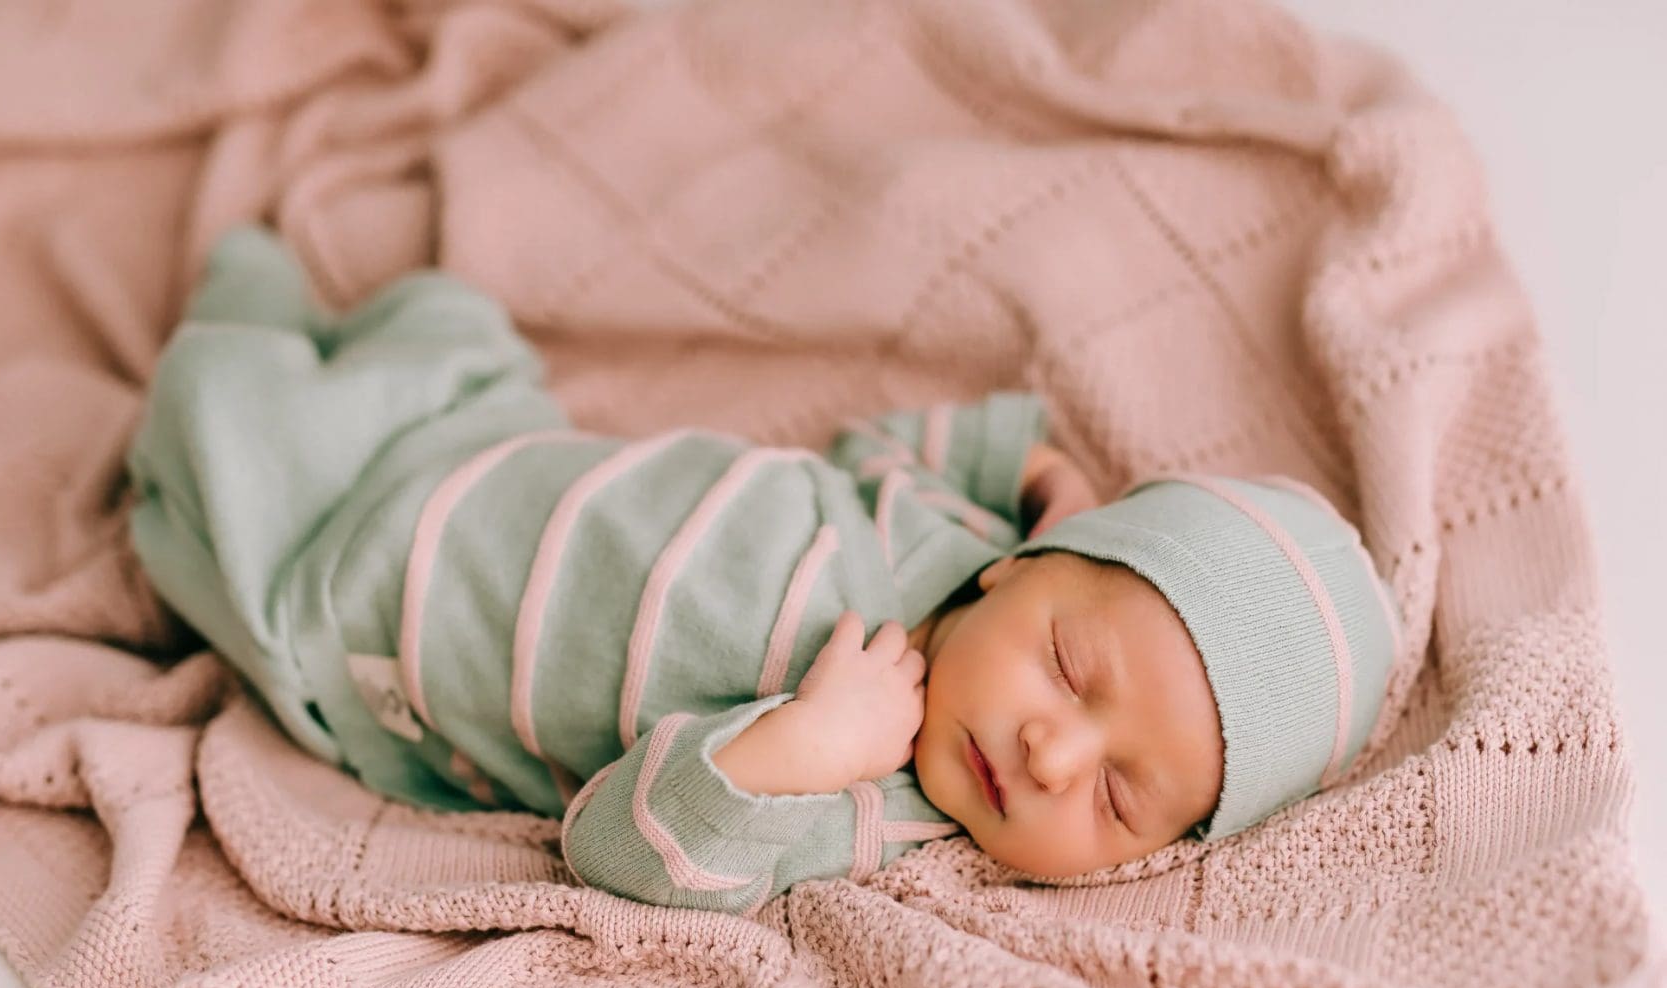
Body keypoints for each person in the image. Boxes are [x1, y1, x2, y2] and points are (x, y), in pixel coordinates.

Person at [127, 224, 1402, 916]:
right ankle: (286, 279)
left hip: (376, 596)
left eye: (1121, 802)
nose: (1053, 758)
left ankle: (241, 299)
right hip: (493, 442)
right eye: (1072, 670)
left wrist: (793, 749)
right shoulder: (950, 529)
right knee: (443, 315)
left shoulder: (870, 810)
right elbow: (880, 442)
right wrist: (1033, 471)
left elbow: (618, 851)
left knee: (218, 426)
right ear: (1029, 569)